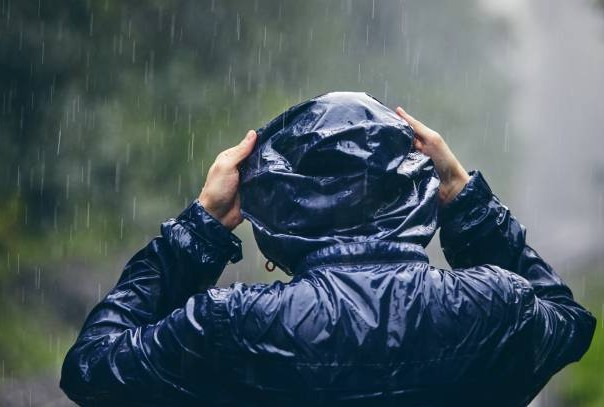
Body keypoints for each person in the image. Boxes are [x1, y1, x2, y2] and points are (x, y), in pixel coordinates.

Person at [60, 92, 595, 406]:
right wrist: (465, 199)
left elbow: (90, 371)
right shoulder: (496, 308)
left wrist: (201, 227)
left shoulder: (233, 324)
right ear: (418, 189)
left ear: (279, 211)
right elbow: (571, 323)